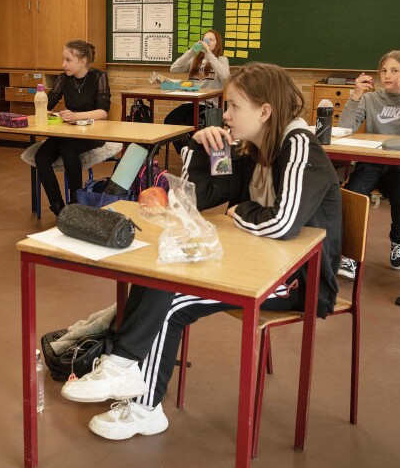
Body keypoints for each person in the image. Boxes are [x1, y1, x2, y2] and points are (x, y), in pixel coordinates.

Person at [60, 62, 341, 440]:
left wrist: (241, 210)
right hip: (253, 261)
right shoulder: (249, 147)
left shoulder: (300, 146)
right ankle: (124, 365)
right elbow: (194, 199)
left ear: (264, 111)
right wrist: (199, 145)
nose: (224, 115)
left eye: (233, 106)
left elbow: (282, 223)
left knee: (174, 303)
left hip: (297, 281)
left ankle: (141, 401)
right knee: (162, 270)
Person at [338, 50, 400, 277]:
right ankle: (349, 253)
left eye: (394, 71)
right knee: (354, 193)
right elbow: (345, 127)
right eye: (384, 70)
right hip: (372, 163)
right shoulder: (371, 98)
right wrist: (356, 95)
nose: (387, 75)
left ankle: (399, 239)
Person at [35, 40, 111, 216]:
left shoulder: (99, 77)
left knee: (68, 149)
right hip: (67, 131)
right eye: (63, 59)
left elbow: (103, 112)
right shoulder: (63, 78)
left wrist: (76, 116)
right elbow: (48, 102)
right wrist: (44, 111)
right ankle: (58, 207)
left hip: (92, 132)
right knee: (41, 157)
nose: (63, 64)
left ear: (82, 61)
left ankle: (76, 203)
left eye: (68, 60)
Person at [165, 29, 230, 152]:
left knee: (191, 123)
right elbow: (174, 68)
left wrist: (209, 54)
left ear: (217, 43)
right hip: (191, 102)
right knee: (170, 120)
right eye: (206, 39)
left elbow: (225, 76)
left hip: (208, 104)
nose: (208, 42)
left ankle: (193, 152)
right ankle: (185, 151)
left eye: (212, 40)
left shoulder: (221, 59)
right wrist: (192, 51)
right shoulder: (194, 60)